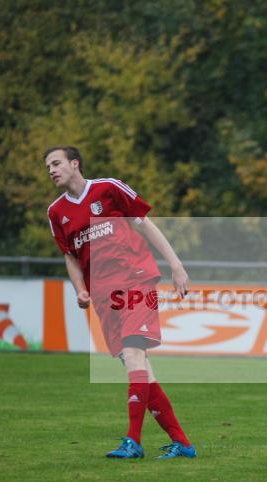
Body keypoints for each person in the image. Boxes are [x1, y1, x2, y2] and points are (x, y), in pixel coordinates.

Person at [44, 146, 196, 459]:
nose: (51, 170)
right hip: (103, 295)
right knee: (142, 370)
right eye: (48, 167)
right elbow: (70, 257)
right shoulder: (55, 213)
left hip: (135, 280)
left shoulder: (109, 189)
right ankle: (183, 444)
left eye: (56, 163)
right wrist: (79, 289)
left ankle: (133, 441)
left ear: (75, 164)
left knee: (133, 352)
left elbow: (146, 224)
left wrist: (176, 265)